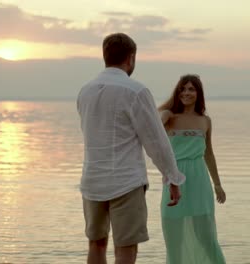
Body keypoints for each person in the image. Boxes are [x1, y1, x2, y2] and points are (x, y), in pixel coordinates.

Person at [76, 32, 186, 264]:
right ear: (131, 58)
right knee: (126, 249)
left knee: (96, 244)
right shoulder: (135, 91)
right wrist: (172, 177)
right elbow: (155, 141)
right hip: (125, 182)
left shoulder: (85, 91)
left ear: (105, 56)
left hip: (92, 181)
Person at [159, 74, 227, 264]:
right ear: (177, 92)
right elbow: (152, 128)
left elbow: (209, 153)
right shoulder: (169, 116)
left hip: (199, 180)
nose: (186, 93)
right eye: (183, 89)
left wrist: (218, 184)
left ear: (198, 94)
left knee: (206, 236)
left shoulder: (205, 121)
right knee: (174, 237)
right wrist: (163, 114)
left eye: (191, 89)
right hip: (174, 178)